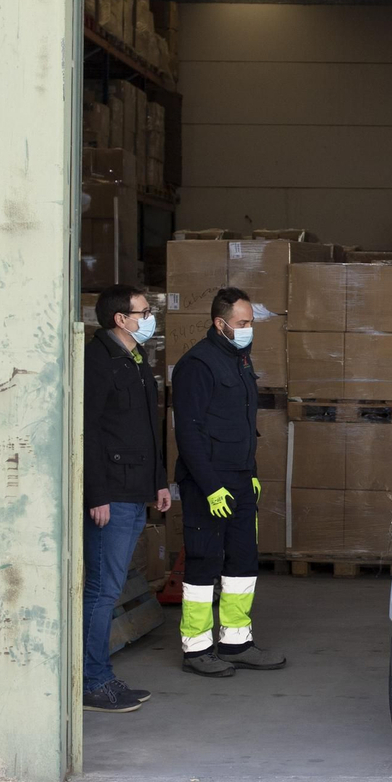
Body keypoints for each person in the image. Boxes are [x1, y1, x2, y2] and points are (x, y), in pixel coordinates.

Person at [172, 287, 285, 677]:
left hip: (238, 478)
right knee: (204, 561)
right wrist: (209, 485)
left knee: (242, 561)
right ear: (220, 324)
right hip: (209, 482)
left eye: (250, 322)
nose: (248, 328)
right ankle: (197, 647)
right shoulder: (197, 365)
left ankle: (236, 641)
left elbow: (243, 425)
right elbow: (188, 432)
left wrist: (250, 474)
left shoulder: (239, 360)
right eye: (242, 323)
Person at [82, 286, 171, 712]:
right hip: (112, 495)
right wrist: (96, 493)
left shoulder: (135, 360)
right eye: (143, 311)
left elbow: (147, 430)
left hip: (135, 491)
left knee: (109, 588)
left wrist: (158, 484)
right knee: (101, 591)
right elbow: (90, 431)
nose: (149, 317)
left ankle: (98, 677)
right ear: (120, 318)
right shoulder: (100, 361)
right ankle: (93, 682)